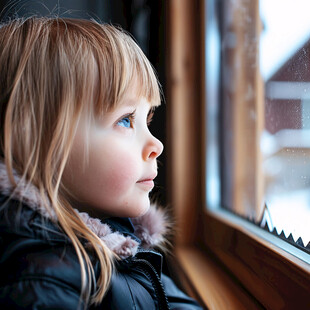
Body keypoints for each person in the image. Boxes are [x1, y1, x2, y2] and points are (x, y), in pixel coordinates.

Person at [0, 17, 203, 309]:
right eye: (125, 120)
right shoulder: (41, 283)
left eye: (147, 119)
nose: (156, 145)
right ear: (39, 141)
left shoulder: (115, 236)